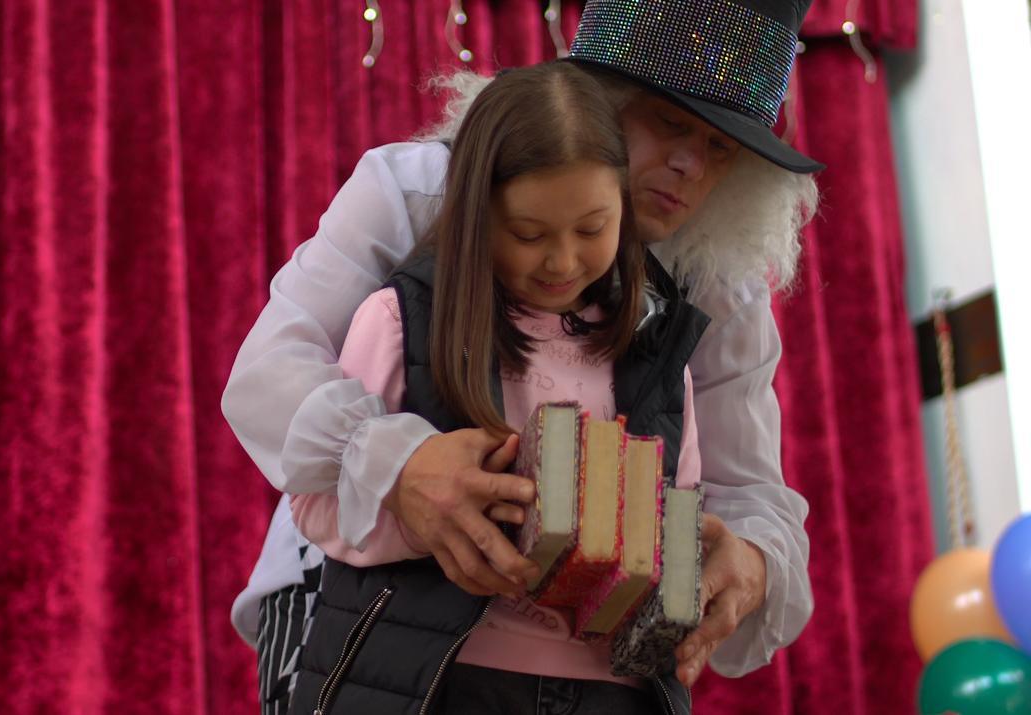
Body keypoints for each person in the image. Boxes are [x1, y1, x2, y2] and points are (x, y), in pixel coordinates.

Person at [227, 1, 821, 713]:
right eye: (669, 122)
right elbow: (269, 372)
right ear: (598, 99)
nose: (690, 164)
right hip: (353, 607)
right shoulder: (419, 191)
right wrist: (401, 464)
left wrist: (750, 563)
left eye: (722, 147)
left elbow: (749, 491)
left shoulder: (720, 288)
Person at [288, 59, 705, 714]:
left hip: (613, 693)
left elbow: (680, 508)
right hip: (444, 681)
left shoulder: (657, 348)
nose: (562, 260)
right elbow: (314, 503)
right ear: (475, 214)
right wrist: (426, 523)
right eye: (528, 234)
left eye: (592, 229)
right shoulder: (402, 321)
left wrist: (686, 572)